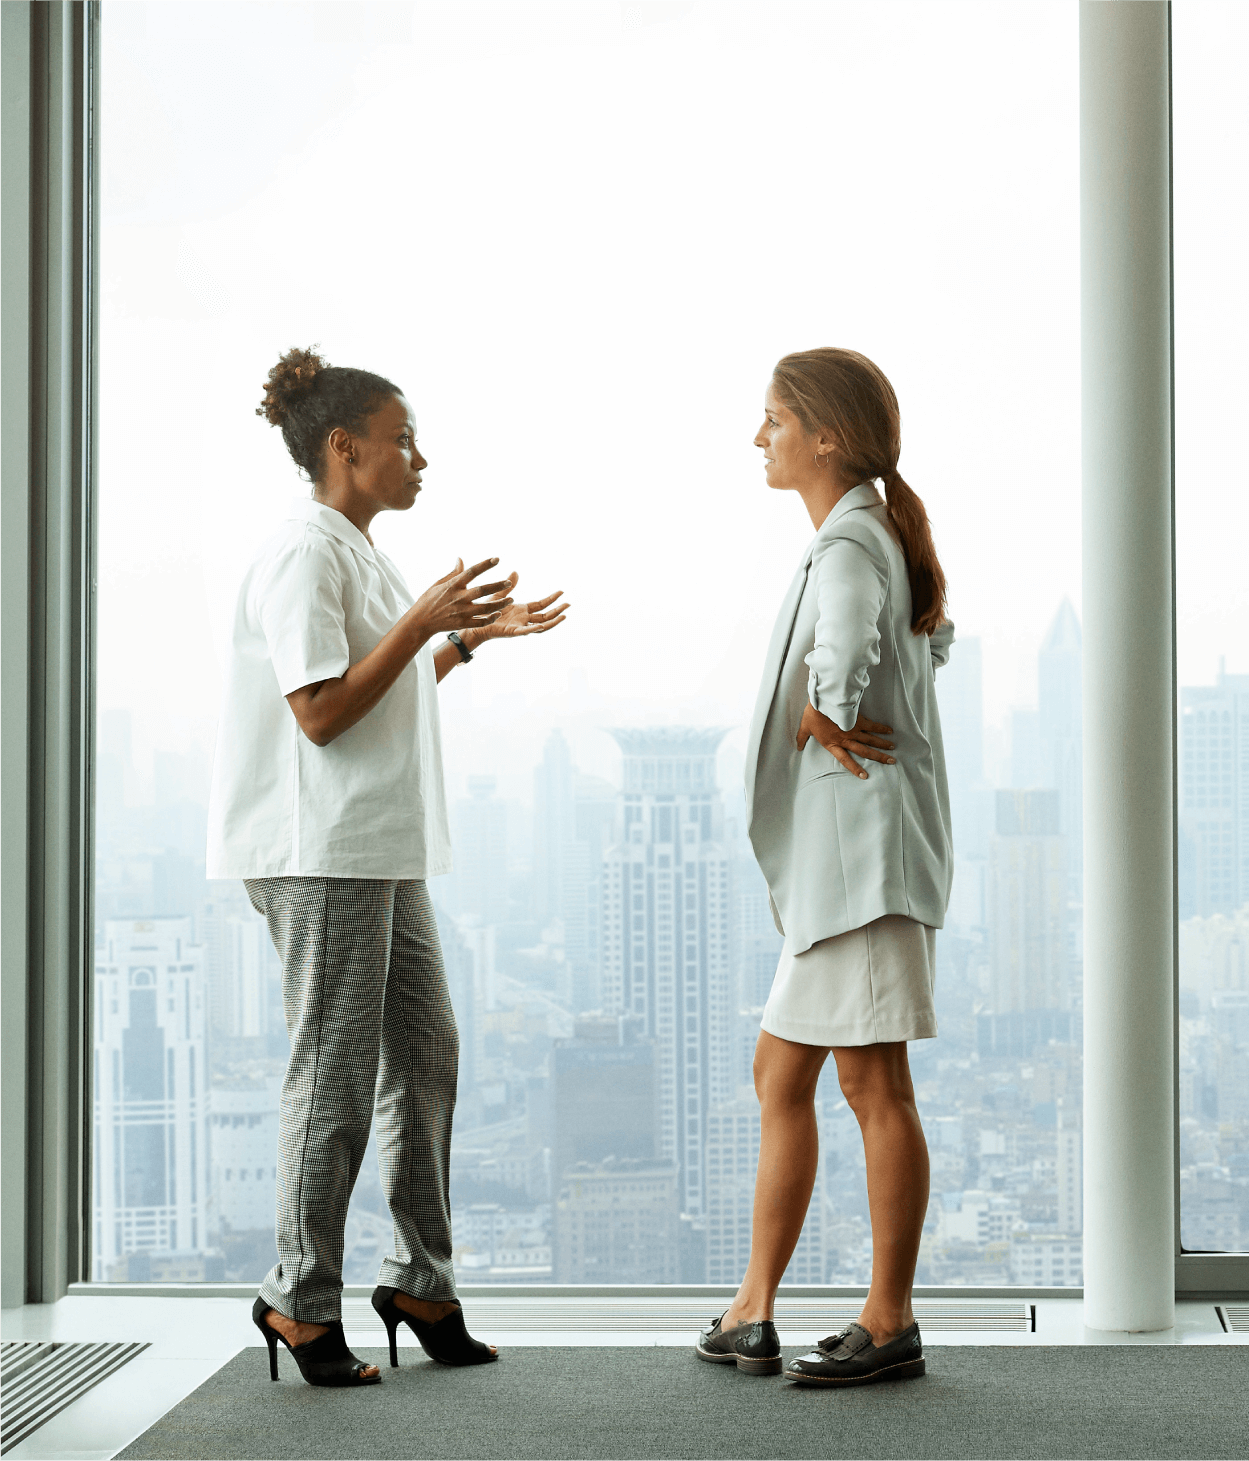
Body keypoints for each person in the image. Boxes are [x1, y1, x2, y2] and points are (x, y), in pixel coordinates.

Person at [206, 347, 568, 1387]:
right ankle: (297, 1300)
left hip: (374, 848)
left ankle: (419, 1280)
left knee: (427, 1054)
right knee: (334, 1075)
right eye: (402, 438)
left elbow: (380, 691)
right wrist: (422, 623)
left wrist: (467, 640)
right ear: (343, 447)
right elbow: (318, 716)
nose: (420, 457)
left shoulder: (358, 554)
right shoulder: (301, 555)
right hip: (319, 850)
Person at [695, 347, 953, 1387]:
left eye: (772, 421)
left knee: (873, 1083)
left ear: (826, 437)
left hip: (863, 867)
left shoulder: (849, 545)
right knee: (783, 1070)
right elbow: (931, 648)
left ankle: (887, 1322)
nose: (759, 438)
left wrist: (826, 710)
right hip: (848, 868)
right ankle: (753, 1309)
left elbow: (848, 663)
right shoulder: (867, 536)